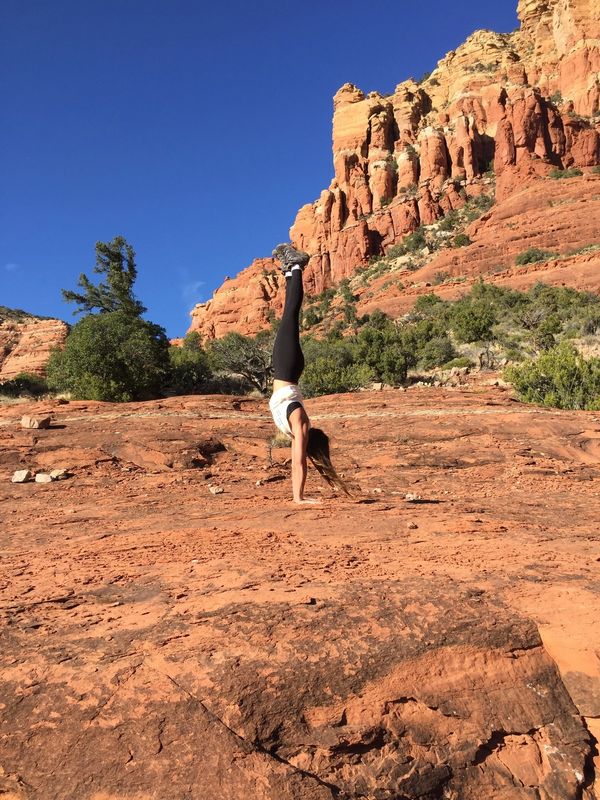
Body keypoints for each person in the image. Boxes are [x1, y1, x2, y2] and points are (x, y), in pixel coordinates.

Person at [269, 243, 351, 504]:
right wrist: (299, 498)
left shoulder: (296, 430)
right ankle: (295, 266)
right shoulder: (301, 425)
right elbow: (298, 464)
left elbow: (301, 460)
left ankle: (289, 271)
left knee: (288, 317)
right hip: (287, 369)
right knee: (290, 316)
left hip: (286, 370)